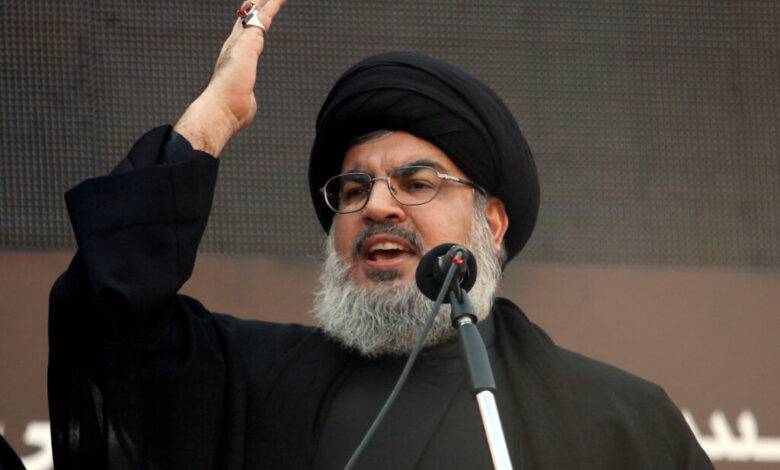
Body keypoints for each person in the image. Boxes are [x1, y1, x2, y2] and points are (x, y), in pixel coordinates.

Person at [48, 1, 713, 468]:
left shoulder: (615, 421)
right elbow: (108, 314)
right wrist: (211, 121)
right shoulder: (253, 384)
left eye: (417, 182)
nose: (379, 207)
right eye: (354, 190)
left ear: (493, 221)